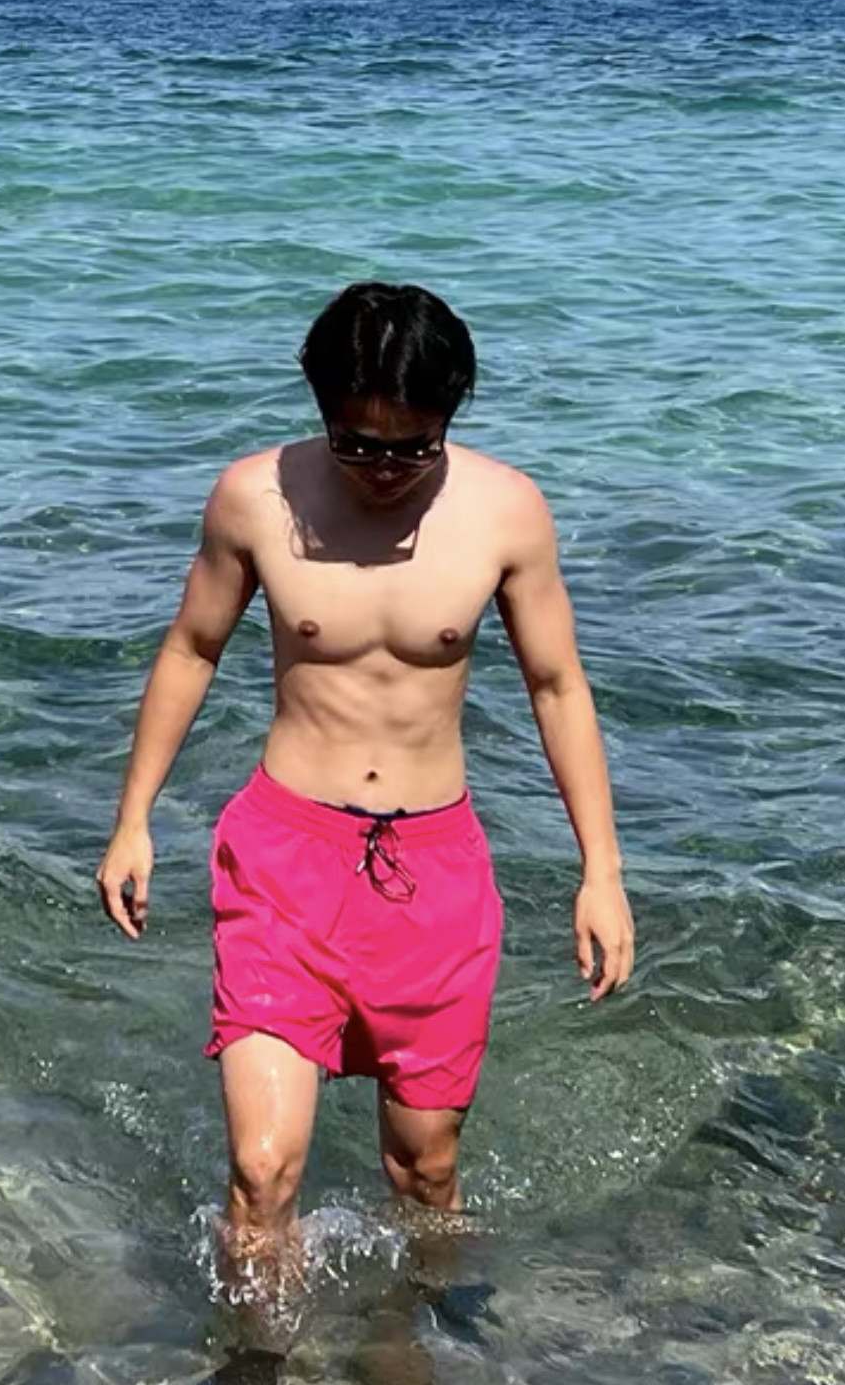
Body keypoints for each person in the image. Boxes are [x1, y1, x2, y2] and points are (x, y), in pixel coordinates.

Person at [96, 281, 634, 1298]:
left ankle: (408, 1341)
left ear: (450, 415)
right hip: (284, 856)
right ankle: (258, 1361)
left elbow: (558, 685)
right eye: (358, 444)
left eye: (413, 447)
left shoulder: (506, 511)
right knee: (262, 1170)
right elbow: (192, 648)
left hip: (434, 874)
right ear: (321, 407)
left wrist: (600, 870)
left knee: (424, 1171)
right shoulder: (254, 497)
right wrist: (133, 820)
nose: (385, 469)